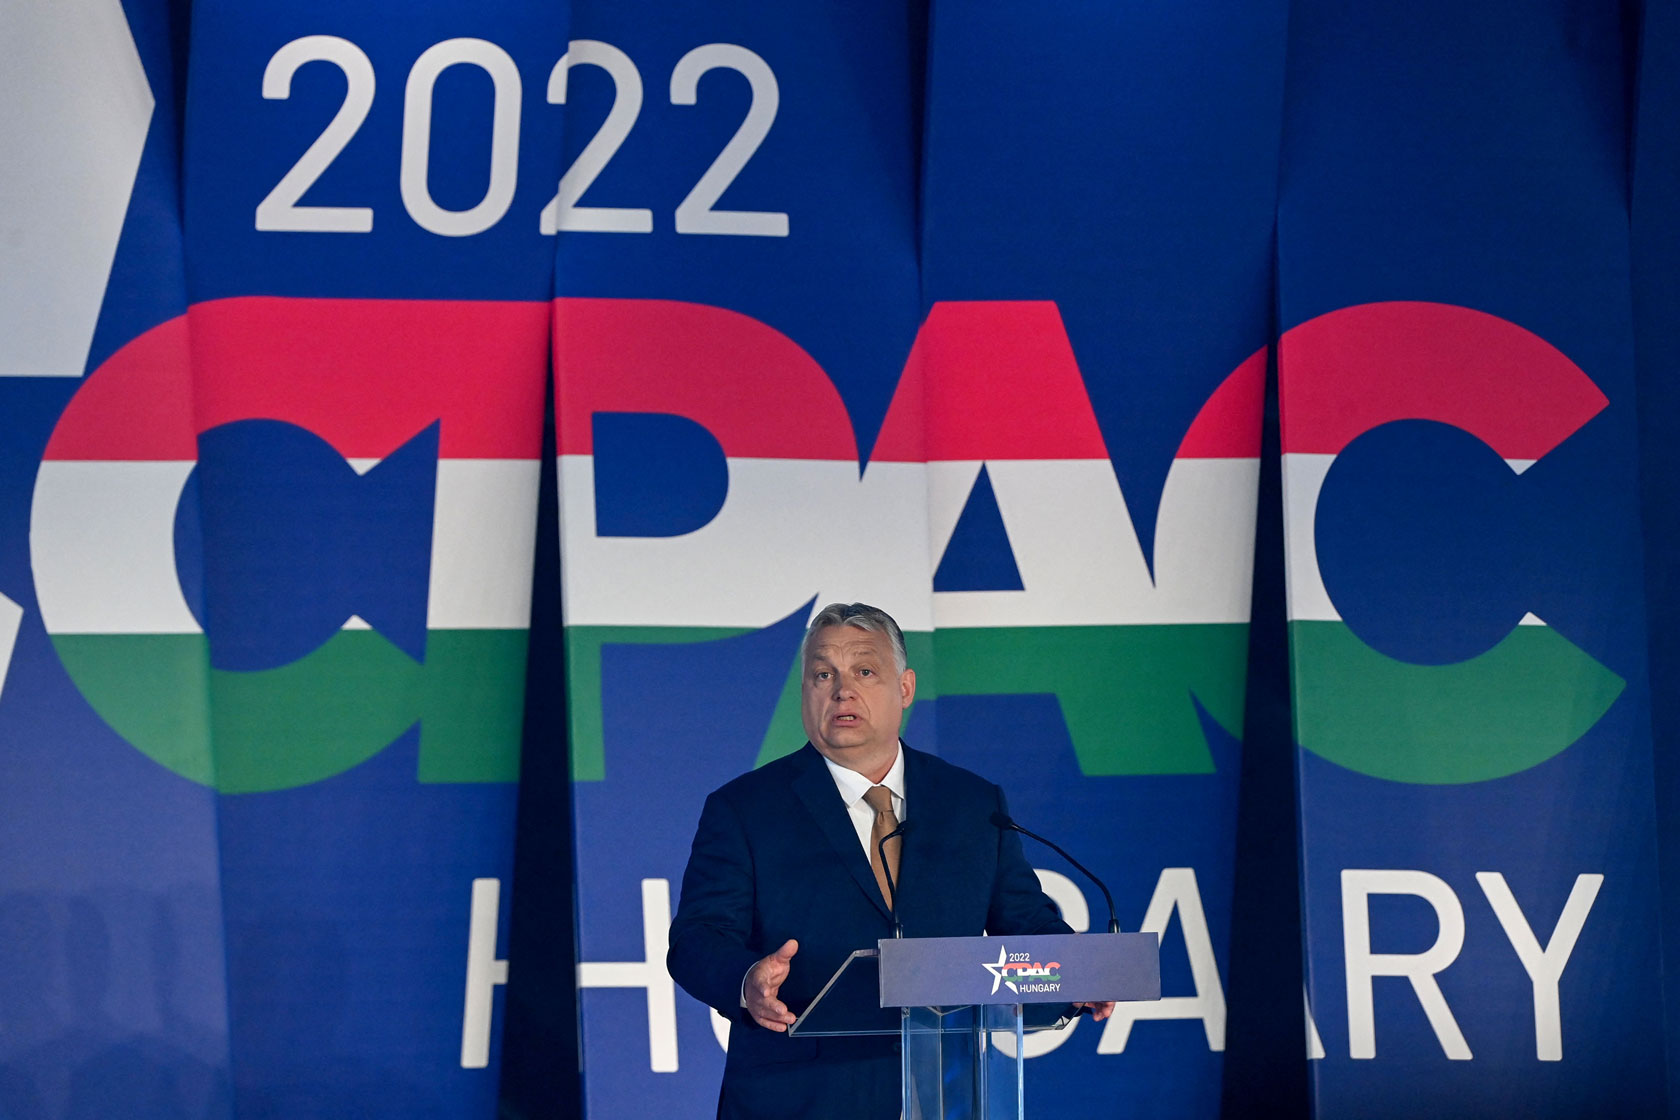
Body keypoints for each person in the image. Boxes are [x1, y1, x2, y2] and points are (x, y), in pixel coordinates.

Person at [667, 602, 1114, 1120]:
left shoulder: (972, 803)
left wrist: (1076, 970)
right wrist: (746, 980)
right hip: (799, 1099)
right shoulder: (745, 809)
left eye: (864, 670)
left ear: (904, 687)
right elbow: (698, 939)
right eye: (822, 674)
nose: (842, 690)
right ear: (805, 692)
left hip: (946, 1096)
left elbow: (1026, 921)